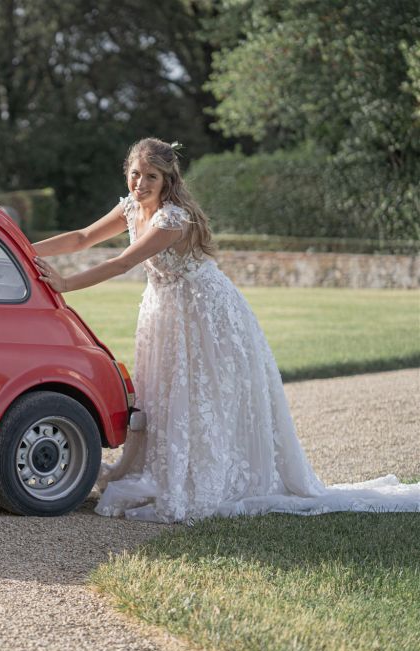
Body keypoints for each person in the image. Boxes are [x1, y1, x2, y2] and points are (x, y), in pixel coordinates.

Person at [33, 137, 420, 522]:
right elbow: (83, 238)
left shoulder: (173, 219)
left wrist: (65, 284)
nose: (141, 184)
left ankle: (210, 476)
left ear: (168, 179)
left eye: (151, 176)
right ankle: (167, 468)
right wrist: (24, 248)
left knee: (203, 395)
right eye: (135, 174)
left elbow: (122, 263)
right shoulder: (131, 207)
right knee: (167, 394)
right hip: (163, 312)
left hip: (205, 313)